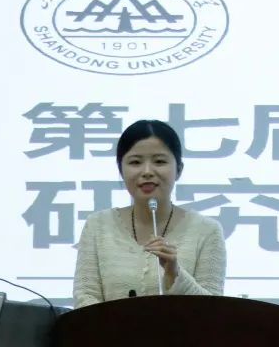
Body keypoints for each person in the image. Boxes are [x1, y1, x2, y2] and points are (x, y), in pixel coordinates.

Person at [72, 119, 226, 307]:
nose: (147, 172)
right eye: (135, 162)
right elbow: (85, 298)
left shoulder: (207, 231)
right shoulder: (97, 226)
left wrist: (175, 274)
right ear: (121, 170)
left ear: (179, 169)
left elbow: (214, 311)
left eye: (159, 161)